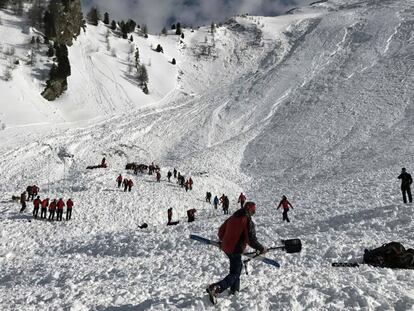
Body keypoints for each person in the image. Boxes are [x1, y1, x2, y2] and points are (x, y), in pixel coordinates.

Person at [206, 202, 266, 304]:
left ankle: (234, 290)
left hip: (226, 247)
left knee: (236, 268)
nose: (253, 213)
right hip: (235, 249)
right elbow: (250, 239)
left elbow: (221, 231)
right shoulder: (247, 220)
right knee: (235, 272)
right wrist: (261, 248)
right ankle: (216, 288)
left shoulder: (233, 217)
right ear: (250, 210)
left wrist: (224, 241)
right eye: (253, 211)